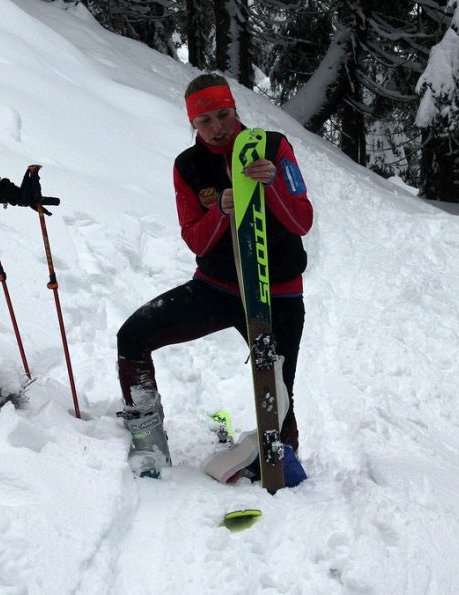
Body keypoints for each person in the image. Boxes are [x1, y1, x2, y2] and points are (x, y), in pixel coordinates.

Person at [116, 73, 313, 478]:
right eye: (205, 121)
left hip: (278, 293)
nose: (217, 127)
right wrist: (221, 212)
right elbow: (195, 241)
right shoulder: (188, 167)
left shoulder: (272, 146)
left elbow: (302, 220)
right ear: (192, 124)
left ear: (235, 109)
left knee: (277, 392)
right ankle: (148, 442)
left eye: (223, 115)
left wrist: (271, 185)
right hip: (216, 287)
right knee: (132, 336)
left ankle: (280, 460)